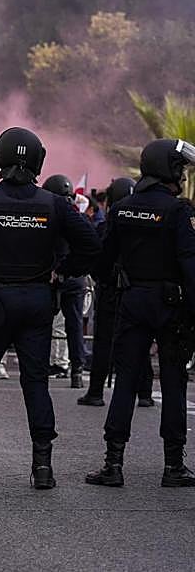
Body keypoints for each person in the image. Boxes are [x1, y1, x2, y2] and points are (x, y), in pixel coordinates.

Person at [0, 127, 100, 490]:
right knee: (36, 383)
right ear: (37, 160)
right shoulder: (54, 204)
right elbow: (91, 245)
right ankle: (43, 467)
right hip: (37, 301)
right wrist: (62, 274)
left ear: (0, 157)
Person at [86, 140, 195, 488]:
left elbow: (103, 261)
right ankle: (174, 466)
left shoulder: (122, 209)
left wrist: (119, 285)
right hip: (171, 304)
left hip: (132, 301)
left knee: (125, 382)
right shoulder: (181, 212)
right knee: (174, 381)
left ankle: (113, 464)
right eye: (179, 167)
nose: (182, 173)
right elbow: (190, 266)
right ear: (167, 169)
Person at [78, 177, 147, 407]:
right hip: (136, 290)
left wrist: (101, 277)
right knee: (140, 340)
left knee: (104, 342)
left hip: (111, 291)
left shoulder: (107, 225)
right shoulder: (143, 225)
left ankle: (96, 391)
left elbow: (100, 258)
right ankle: (145, 393)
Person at [42, 174, 90, 388]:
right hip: (75, 277)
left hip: (53, 276)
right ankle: (77, 371)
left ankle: (41, 367)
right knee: (75, 326)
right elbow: (90, 245)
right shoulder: (78, 217)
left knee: (42, 324)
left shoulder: (50, 216)